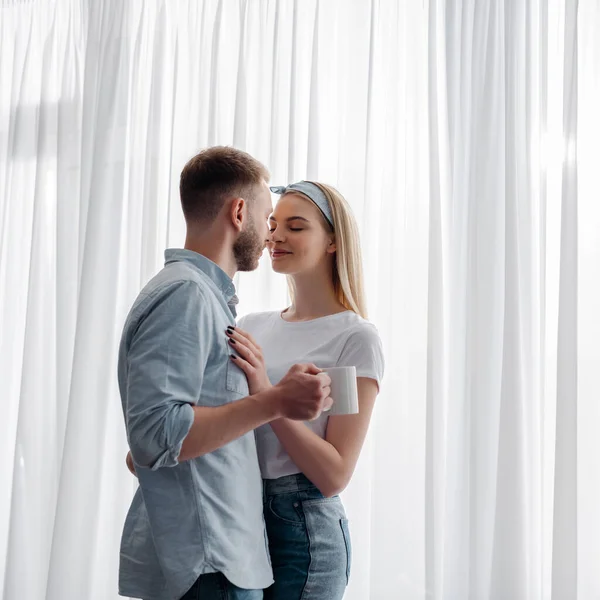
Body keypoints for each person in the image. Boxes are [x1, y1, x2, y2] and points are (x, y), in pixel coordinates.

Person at [118, 148, 333, 600]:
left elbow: (149, 445)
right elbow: (157, 435)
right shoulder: (187, 296)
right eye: (268, 217)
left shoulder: (199, 297)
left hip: (219, 561)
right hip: (212, 565)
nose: (270, 233)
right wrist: (274, 400)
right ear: (239, 212)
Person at [228, 181, 384, 599]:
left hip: (302, 529)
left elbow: (333, 474)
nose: (276, 236)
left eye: (296, 227)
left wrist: (266, 393)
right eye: (274, 223)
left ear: (333, 241)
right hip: (239, 513)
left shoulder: (354, 338)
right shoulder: (249, 326)